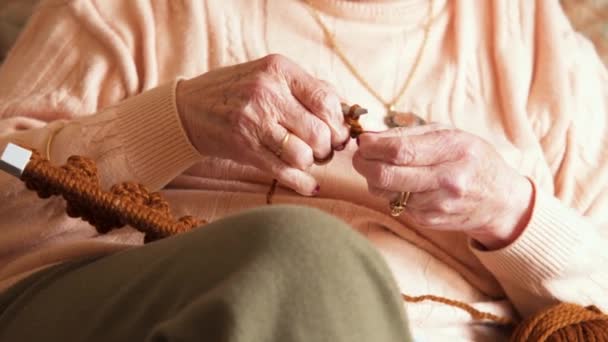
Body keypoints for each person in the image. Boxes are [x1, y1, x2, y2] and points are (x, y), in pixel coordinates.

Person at [0, 0, 606, 340]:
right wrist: (175, 120)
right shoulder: (133, 10)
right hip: (146, 303)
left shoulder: (543, 46)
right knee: (310, 259)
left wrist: (513, 214)